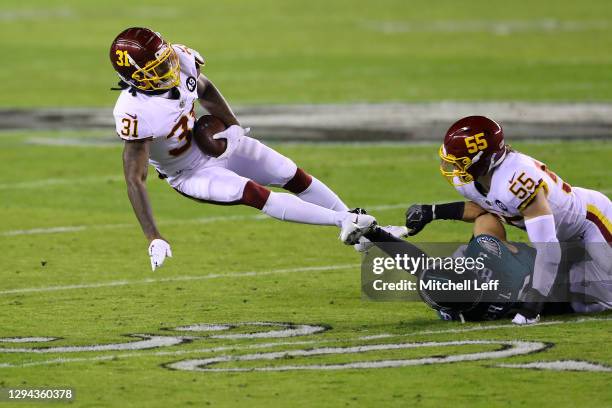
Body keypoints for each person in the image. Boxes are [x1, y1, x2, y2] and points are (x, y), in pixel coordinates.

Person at [109, 27, 376, 271]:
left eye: (165, 58)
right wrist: (153, 236)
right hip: (189, 173)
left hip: (218, 144)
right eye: (157, 67)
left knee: (290, 173)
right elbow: (135, 180)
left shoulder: (180, 59)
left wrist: (233, 126)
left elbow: (206, 90)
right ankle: (343, 221)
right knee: (255, 194)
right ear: (134, 77)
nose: (168, 67)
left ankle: (357, 229)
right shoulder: (133, 111)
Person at [404, 116, 612, 324]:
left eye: (460, 162)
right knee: (584, 292)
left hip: (590, 221)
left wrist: (532, 307)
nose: (454, 168)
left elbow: (548, 249)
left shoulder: (517, 182)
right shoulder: (471, 181)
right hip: (562, 234)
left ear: (482, 159)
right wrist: (432, 212)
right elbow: (485, 207)